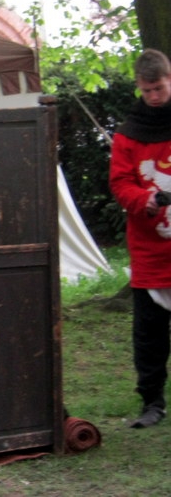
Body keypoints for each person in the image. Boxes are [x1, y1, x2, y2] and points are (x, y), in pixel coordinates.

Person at [109, 48, 171, 429]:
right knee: (149, 336)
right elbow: (120, 182)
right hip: (150, 250)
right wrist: (142, 200)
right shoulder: (128, 135)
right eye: (147, 90)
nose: (153, 96)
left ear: (170, 80)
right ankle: (152, 402)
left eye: (159, 88)